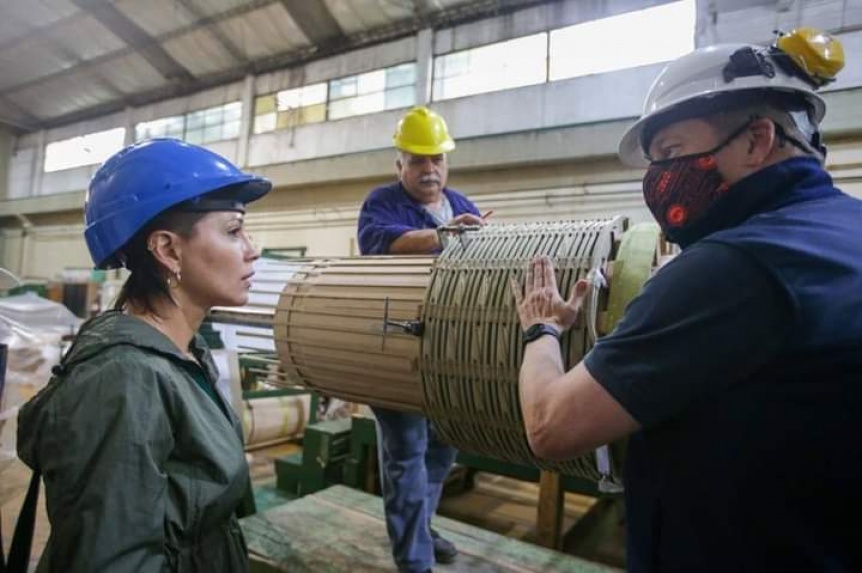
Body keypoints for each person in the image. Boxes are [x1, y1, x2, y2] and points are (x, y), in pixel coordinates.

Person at [511, 29, 862, 571]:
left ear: (756, 140)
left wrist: (542, 331)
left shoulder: (733, 266)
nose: (661, 179)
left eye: (672, 152)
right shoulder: (846, 230)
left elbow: (551, 427)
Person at [17, 139, 271, 572]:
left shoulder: (182, 351)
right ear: (168, 250)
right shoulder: (122, 380)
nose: (253, 248)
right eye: (233, 231)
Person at [357, 106, 485, 572]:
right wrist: (443, 235)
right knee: (406, 451)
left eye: (436, 159)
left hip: (449, 349)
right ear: (400, 165)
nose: (429, 170)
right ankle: (413, 560)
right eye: (417, 161)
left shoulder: (463, 204)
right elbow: (379, 242)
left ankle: (423, 527)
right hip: (397, 344)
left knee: (442, 444)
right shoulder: (382, 203)